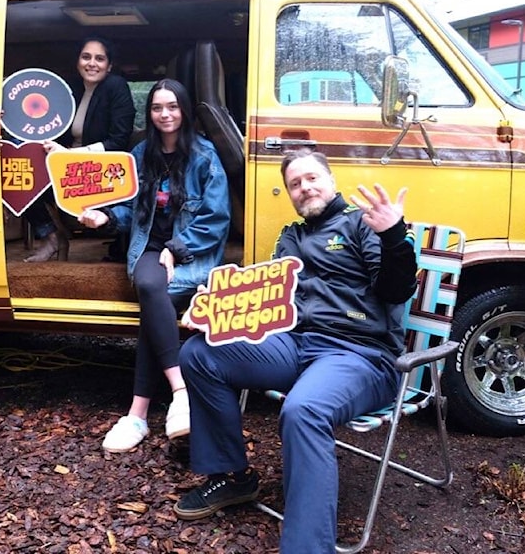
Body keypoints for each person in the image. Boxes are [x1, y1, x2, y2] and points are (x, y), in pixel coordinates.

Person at [172, 148, 417, 554]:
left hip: (357, 354)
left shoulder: (362, 224)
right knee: (200, 353)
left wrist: (393, 237)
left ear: (330, 179)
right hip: (294, 344)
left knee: (303, 410)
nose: (304, 188)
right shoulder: (291, 237)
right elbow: (265, 305)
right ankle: (233, 477)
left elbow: (396, 290)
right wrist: (217, 313)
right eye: (294, 184)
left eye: (311, 178)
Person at [78, 79, 231, 452]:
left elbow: (216, 218)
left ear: (185, 111)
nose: (165, 114)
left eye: (173, 107)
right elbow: (130, 209)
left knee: (152, 300)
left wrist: (177, 249)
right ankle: (181, 393)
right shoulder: (140, 154)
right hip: (148, 247)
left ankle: (137, 414)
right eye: (158, 108)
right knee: (150, 285)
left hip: (191, 253)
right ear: (150, 114)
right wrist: (107, 220)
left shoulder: (206, 156)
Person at [23, 36, 137, 262]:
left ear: (109, 66)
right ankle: (52, 237)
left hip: (100, 171)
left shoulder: (115, 87)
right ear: (78, 62)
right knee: (19, 171)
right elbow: (42, 124)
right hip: (62, 163)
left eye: (99, 58)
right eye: (86, 57)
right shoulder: (69, 89)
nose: (92, 63)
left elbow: (118, 142)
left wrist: (69, 155)